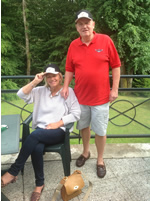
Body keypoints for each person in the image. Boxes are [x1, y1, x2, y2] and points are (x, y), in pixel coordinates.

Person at [1, 63, 81, 201]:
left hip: (58, 131)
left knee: (34, 136)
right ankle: (39, 184)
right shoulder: (39, 91)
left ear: (60, 77)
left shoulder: (68, 91)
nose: (52, 79)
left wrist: (58, 123)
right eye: (48, 76)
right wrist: (35, 81)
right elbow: (20, 94)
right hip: (40, 131)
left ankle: (13, 172)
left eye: (54, 75)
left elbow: (76, 113)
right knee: (36, 146)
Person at [61, 9, 121, 178]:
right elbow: (69, 68)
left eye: (87, 22)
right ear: (77, 27)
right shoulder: (74, 45)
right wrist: (65, 86)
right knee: (84, 127)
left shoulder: (105, 40)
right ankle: (86, 152)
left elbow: (116, 65)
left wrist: (115, 89)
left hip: (101, 98)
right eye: (80, 24)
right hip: (80, 98)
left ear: (93, 24)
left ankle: (100, 160)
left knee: (100, 131)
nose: (84, 26)